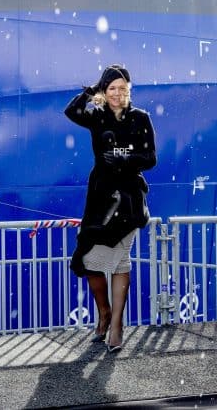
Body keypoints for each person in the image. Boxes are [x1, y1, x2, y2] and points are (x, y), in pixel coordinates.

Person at [64, 64, 156, 352]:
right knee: (87, 258)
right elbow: (71, 111)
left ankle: (116, 326)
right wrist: (92, 90)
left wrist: (125, 160)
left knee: (120, 262)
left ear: (129, 90)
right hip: (100, 197)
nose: (118, 93)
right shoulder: (98, 116)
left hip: (128, 198)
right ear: (105, 91)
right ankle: (104, 312)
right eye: (112, 88)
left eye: (122, 88)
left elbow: (150, 158)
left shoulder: (141, 118)